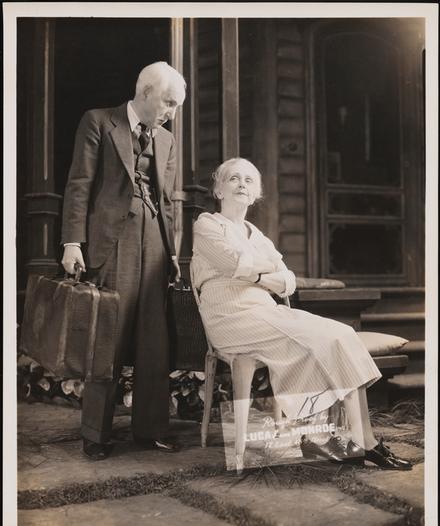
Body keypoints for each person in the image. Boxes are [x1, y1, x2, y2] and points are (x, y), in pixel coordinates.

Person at [191, 157, 412, 470]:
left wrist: (254, 273)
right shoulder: (207, 225)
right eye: (234, 178)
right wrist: (263, 272)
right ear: (218, 190)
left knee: (342, 334)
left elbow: (288, 281)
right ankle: (352, 442)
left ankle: (360, 440)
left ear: (256, 194)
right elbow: (232, 264)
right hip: (230, 316)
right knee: (322, 339)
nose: (242, 184)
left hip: (266, 311)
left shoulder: (256, 234)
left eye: (249, 180)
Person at [61, 62, 186, 459]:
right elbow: (79, 184)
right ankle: (95, 435)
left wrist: (173, 253)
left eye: (177, 106)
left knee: (154, 340)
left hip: (155, 243)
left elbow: (167, 203)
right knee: (107, 340)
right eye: (168, 103)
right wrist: (72, 243)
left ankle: (150, 430)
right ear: (145, 92)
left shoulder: (166, 140)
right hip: (110, 242)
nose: (171, 113)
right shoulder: (99, 122)